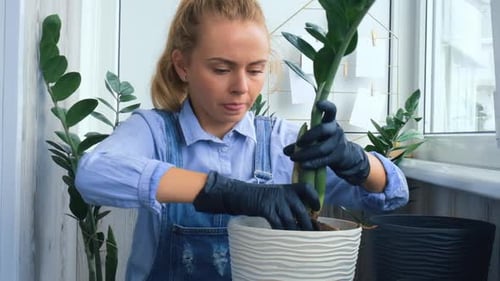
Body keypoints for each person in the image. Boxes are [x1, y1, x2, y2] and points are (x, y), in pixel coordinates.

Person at [75, 0, 409, 280]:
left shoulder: (282, 143)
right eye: (221, 69)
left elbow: (393, 194)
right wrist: (227, 191)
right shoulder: (153, 132)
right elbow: (93, 174)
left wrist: (358, 161)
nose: (241, 87)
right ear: (182, 66)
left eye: (255, 70)